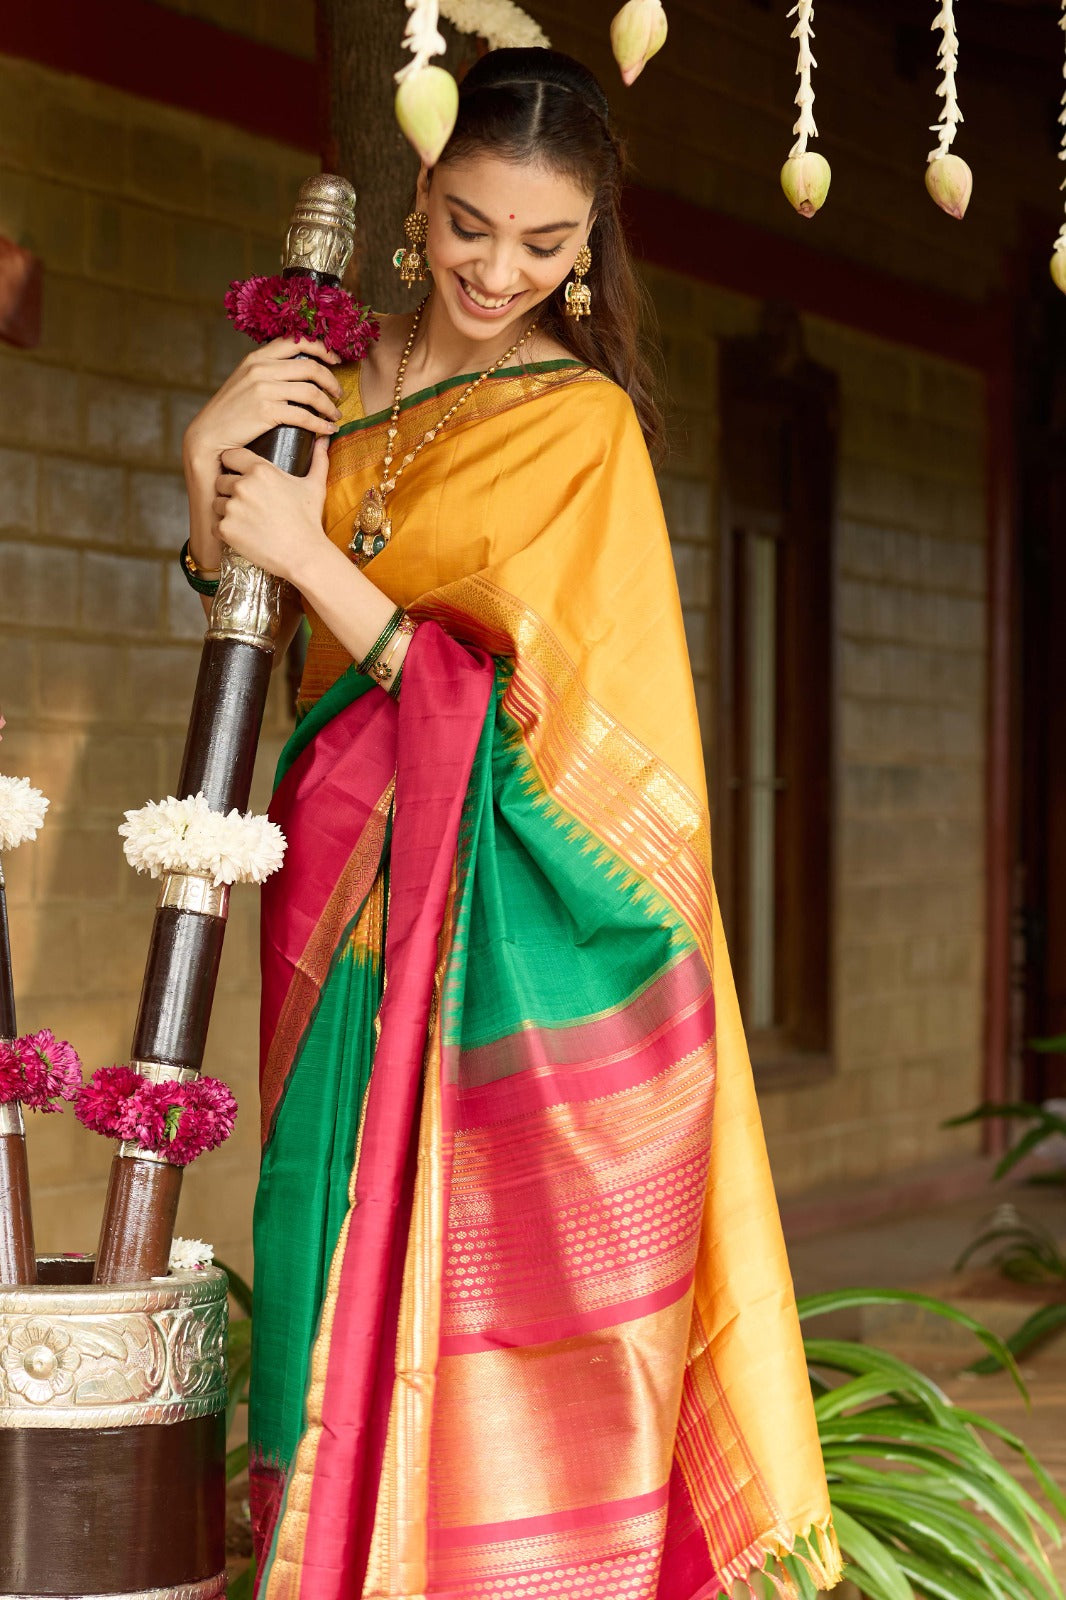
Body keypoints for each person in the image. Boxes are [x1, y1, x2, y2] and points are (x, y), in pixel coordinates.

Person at [181, 47, 840, 1600]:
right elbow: (255, 630)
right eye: (471, 226)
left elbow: (555, 743)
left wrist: (315, 554)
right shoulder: (331, 389)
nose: (497, 271)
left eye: (544, 244)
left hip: (488, 919)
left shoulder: (580, 426)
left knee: (451, 1283)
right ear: (420, 199)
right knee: (314, 1234)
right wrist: (208, 468)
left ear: (589, 240)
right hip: (331, 894)